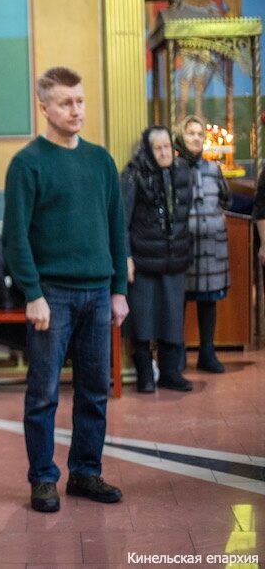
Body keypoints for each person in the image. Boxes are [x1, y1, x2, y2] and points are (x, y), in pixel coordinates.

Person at [2, 66, 128, 514]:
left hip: (98, 292)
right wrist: (32, 293)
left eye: (80, 101)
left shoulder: (100, 161)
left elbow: (116, 228)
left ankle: (86, 472)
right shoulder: (27, 163)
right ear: (44, 108)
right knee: (43, 394)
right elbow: (15, 237)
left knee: (95, 389)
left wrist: (119, 289)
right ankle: (43, 478)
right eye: (66, 103)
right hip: (51, 295)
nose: (76, 110)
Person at [122, 126, 194, 393]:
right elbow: (122, 220)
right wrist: (126, 257)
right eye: (158, 148)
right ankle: (145, 375)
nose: (165, 153)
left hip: (175, 259)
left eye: (168, 147)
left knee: (172, 319)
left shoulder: (182, 170)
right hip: (143, 260)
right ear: (148, 151)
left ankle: (170, 373)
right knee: (142, 320)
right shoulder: (133, 174)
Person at [175, 115, 229, 373]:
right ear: (181, 136)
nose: (196, 138)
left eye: (199, 134)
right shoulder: (172, 168)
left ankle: (207, 352)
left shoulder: (213, 169)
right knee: (179, 300)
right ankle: (177, 353)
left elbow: (226, 199)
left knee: (208, 300)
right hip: (182, 247)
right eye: (191, 133)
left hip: (210, 248)